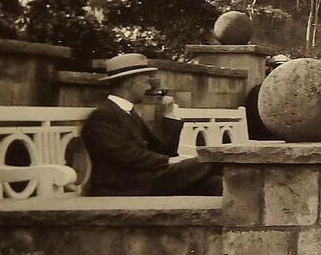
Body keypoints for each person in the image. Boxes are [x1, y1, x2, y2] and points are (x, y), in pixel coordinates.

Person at [81, 53, 220, 196]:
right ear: (130, 83)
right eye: (145, 82)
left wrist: (169, 115)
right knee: (213, 161)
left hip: (144, 180)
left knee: (216, 183)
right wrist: (170, 161)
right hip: (125, 187)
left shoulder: (128, 113)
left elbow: (164, 150)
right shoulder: (103, 117)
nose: (148, 87)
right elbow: (129, 156)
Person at [244, 53, 290, 139]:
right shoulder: (258, 91)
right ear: (270, 70)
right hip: (263, 136)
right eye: (277, 68)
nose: (279, 72)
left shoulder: (291, 92)